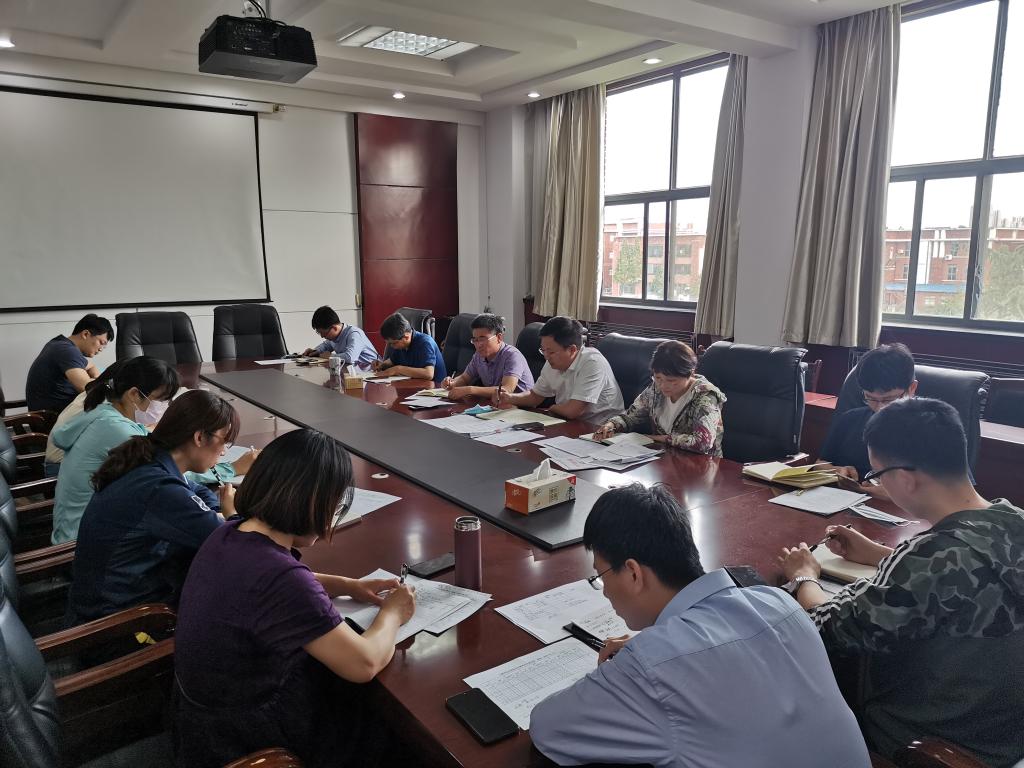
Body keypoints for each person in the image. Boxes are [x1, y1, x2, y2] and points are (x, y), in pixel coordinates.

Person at [530, 484, 870, 768]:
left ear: (633, 573)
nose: (604, 590)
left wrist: (638, 663)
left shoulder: (651, 665)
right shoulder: (778, 602)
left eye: (601, 576)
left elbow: (548, 727)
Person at [779, 398, 1024, 767]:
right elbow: (972, 570)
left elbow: (828, 627)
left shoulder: (930, 559)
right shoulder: (1013, 517)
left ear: (906, 479)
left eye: (878, 474)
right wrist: (881, 553)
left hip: (930, 742)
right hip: (1005, 730)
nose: (877, 482)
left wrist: (804, 576)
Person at [174, 428, 417, 767]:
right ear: (310, 503)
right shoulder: (279, 577)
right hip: (249, 737)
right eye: (334, 506)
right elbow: (365, 663)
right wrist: (393, 612)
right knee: (393, 730)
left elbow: (268, 586)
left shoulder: (229, 532)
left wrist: (348, 585)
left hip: (201, 724)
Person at [66, 390, 240, 625]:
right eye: (224, 441)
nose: (223, 451)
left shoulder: (148, 457)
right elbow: (235, 544)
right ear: (199, 437)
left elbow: (195, 489)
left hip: (103, 597)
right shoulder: (160, 489)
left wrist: (210, 509)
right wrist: (231, 514)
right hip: (116, 621)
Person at [50, 357, 255, 544]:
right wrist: (231, 495)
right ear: (134, 394)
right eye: (161, 399)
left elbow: (188, 484)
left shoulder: (105, 414)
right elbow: (233, 541)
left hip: (83, 528)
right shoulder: (128, 441)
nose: (164, 407)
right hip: (76, 542)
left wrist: (216, 508)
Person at [593, 340, 726, 456]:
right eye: (658, 378)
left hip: (701, 465)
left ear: (690, 373)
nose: (663, 385)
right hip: (663, 457)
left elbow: (703, 443)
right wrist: (612, 424)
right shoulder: (656, 388)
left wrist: (660, 438)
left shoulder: (705, 395)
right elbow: (632, 416)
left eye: (671, 380)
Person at [820, 343, 917, 488]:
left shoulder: (931, 429)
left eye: (889, 399)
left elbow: (944, 489)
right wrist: (836, 471)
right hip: (845, 497)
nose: (880, 408)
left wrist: (896, 493)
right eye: (870, 398)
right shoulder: (849, 419)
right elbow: (820, 463)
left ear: (912, 388)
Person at [494, 316, 622, 423]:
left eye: (551, 352)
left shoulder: (592, 362)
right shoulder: (552, 362)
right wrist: (509, 397)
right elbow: (535, 396)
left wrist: (553, 408)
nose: (546, 356)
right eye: (543, 350)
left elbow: (573, 411)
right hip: (569, 424)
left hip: (602, 428)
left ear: (572, 349)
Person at [43, 359, 128, 478]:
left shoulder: (96, 391)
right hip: (61, 469)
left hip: (63, 465)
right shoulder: (107, 404)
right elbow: (127, 439)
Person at [25, 313, 114, 413]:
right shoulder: (67, 351)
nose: (101, 349)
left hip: (53, 411)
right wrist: (105, 382)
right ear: (85, 334)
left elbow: (91, 366)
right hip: (52, 417)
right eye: (101, 343)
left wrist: (97, 378)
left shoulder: (60, 344)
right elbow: (86, 389)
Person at [441, 313, 534, 400]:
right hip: (496, 404)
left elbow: (506, 390)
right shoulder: (478, 355)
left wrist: (470, 390)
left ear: (499, 338)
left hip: (522, 407)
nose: (478, 345)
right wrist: (452, 383)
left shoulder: (512, 355)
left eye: (482, 339)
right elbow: (464, 378)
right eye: (475, 340)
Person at [372, 312, 447, 383]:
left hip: (434, 388)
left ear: (406, 337)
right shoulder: (401, 345)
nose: (392, 346)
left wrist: (398, 369)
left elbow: (429, 374)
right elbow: (392, 361)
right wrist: (381, 365)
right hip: (413, 385)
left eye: (393, 343)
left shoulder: (425, 343)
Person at [301, 305, 377, 366]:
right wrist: (315, 351)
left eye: (323, 333)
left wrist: (330, 356)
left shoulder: (354, 334)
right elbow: (325, 346)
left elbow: (350, 357)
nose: (322, 336)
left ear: (334, 328)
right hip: (354, 372)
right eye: (319, 333)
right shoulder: (333, 338)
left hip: (372, 372)